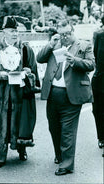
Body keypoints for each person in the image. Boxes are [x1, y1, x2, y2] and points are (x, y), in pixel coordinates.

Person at [0, 16, 40, 168]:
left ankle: (21, 149)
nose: (15, 34)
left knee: (21, 122)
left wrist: (28, 73)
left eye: (16, 31)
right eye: (12, 30)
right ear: (4, 31)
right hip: (1, 94)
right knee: (0, 124)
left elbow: (33, 68)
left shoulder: (25, 49)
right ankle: (0, 155)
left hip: (20, 92)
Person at [37, 20, 94, 175]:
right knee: (54, 128)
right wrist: (50, 44)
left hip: (72, 95)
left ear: (73, 31)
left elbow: (91, 64)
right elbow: (39, 59)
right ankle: (60, 156)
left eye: (67, 33)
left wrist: (74, 61)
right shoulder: (55, 44)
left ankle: (67, 164)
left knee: (67, 131)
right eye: (62, 34)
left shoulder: (83, 45)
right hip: (53, 94)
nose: (65, 37)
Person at [91, 17, 104, 149]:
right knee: (97, 110)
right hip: (99, 79)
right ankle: (101, 137)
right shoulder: (99, 36)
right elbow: (95, 56)